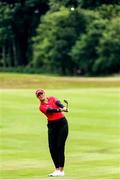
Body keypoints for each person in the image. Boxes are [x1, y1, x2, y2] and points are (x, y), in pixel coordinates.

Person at [35, 89, 69, 177]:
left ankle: (61, 170)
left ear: (44, 93)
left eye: (41, 94)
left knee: (60, 146)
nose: (40, 96)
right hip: (52, 126)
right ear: (37, 97)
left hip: (62, 124)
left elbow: (58, 102)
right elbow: (50, 110)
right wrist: (61, 109)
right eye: (39, 95)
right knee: (52, 147)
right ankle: (57, 169)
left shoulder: (52, 98)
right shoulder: (41, 107)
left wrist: (63, 107)